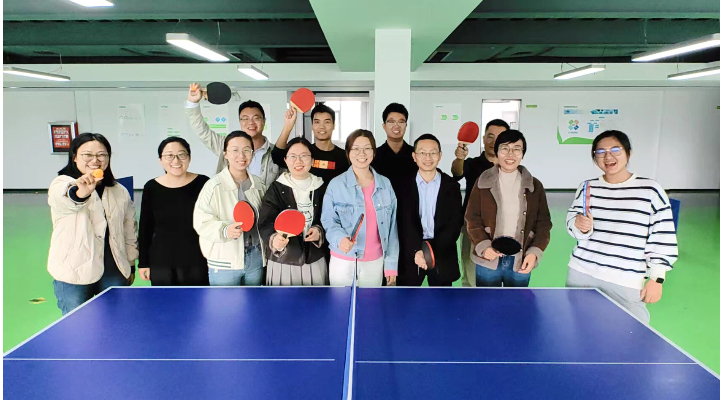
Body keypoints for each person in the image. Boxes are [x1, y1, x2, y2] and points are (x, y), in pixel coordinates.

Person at [566, 130, 677, 324]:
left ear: (628, 153)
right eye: (600, 152)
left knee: (630, 334)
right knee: (581, 329)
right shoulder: (587, 187)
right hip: (582, 273)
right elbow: (573, 226)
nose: (608, 157)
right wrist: (579, 225)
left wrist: (657, 278)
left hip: (626, 279)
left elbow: (662, 235)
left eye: (615, 150)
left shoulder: (650, 190)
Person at [47, 133, 137, 314]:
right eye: (87, 155)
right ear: (74, 157)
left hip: (114, 269)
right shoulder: (62, 183)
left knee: (116, 321)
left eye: (102, 155)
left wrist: (130, 263)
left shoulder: (119, 190)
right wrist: (81, 192)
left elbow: (129, 229)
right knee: (77, 325)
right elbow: (64, 199)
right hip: (73, 272)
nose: (95, 160)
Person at [465, 130, 552, 287]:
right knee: (487, 301)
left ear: (522, 154)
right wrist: (483, 246)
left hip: (521, 259)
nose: (510, 154)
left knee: (517, 301)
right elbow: (472, 217)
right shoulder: (483, 181)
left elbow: (544, 223)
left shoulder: (534, 186)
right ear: (497, 152)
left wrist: (534, 252)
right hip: (488, 258)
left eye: (516, 149)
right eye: (505, 148)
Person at [322, 129, 399, 287]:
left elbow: (392, 229)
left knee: (371, 303)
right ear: (348, 152)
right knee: (340, 302)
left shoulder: (385, 184)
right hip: (343, 260)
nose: (361, 153)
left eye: (367, 148)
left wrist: (391, 264)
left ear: (373, 152)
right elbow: (329, 221)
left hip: (375, 262)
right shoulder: (336, 185)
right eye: (356, 148)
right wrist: (340, 239)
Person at [193, 131, 267, 286]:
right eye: (235, 150)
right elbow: (201, 222)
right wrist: (225, 230)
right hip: (224, 262)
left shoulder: (259, 184)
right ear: (225, 154)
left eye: (246, 150)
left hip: (255, 259)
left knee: (254, 301)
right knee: (225, 302)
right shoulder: (213, 186)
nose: (241, 155)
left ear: (252, 153)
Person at [138, 137, 210, 286]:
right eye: (169, 155)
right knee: (164, 299)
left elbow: (211, 223)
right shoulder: (151, 187)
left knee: (197, 299)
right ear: (160, 160)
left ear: (189, 158)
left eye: (181, 155)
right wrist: (143, 262)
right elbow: (145, 228)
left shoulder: (204, 183)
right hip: (161, 260)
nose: (176, 160)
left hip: (197, 258)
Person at [396, 134, 463, 286]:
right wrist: (416, 251)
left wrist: (430, 251)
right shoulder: (402, 185)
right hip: (411, 255)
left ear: (440, 156)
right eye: (422, 153)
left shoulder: (452, 186)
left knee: (441, 299)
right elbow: (402, 222)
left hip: (442, 253)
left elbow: (455, 224)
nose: (428, 157)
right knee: (407, 299)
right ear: (414, 156)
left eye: (433, 152)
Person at [259, 138, 328, 285]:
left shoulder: (322, 187)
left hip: (314, 259)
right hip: (284, 260)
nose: (298, 161)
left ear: (312, 160)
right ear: (285, 160)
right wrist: (274, 239)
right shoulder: (276, 188)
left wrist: (319, 231)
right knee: (283, 300)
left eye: (304, 156)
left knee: (317, 299)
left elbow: (330, 219)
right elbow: (265, 222)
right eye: (293, 156)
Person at [186, 83, 280, 185]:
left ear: (264, 121)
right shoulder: (227, 144)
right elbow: (202, 131)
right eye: (245, 119)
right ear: (240, 122)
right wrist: (193, 103)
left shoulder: (276, 153)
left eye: (256, 118)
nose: (251, 123)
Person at [452, 119, 509, 287]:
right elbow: (457, 172)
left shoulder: (511, 167)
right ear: (483, 139)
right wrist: (459, 158)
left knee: (499, 271)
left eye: (500, 137)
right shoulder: (472, 164)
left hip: (503, 228)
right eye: (490, 136)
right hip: (472, 228)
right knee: (470, 273)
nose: (494, 141)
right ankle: (470, 301)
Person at [271, 102, 350, 189]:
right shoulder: (305, 153)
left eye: (327, 122)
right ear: (312, 126)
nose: (322, 126)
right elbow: (276, 157)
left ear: (334, 125)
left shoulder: (344, 157)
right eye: (317, 122)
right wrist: (288, 125)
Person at [370, 103, 417, 191]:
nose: (396, 126)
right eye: (391, 121)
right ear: (384, 126)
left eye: (401, 122)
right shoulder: (374, 156)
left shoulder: (416, 155)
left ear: (406, 125)